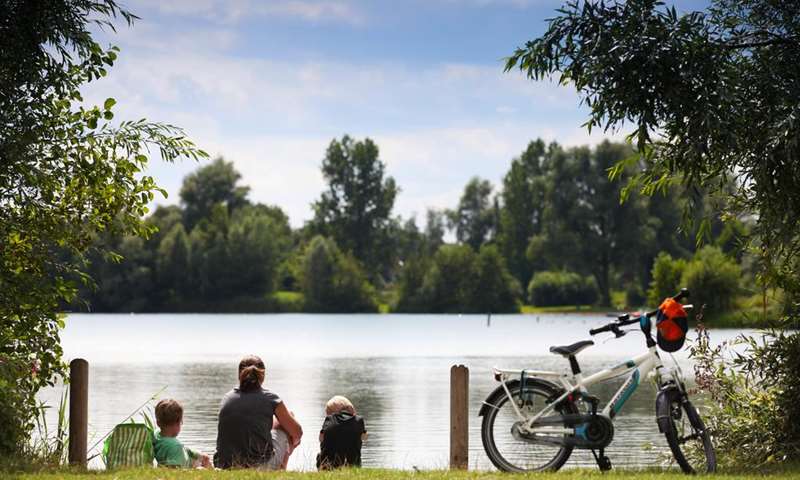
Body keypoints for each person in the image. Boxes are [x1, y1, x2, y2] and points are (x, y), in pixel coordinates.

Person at [214, 355, 303, 469]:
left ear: (239, 375)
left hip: (224, 465)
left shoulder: (227, 398)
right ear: (263, 375)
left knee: (274, 424)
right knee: (287, 420)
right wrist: (293, 444)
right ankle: (280, 471)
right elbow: (297, 432)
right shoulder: (271, 398)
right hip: (259, 466)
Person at [152, 398, 211, 468]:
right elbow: (174, 469)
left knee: (203, 458)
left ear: (158, 423)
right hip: (187, 467)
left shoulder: (156, 435)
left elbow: (183, 449)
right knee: (208, 465)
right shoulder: (175, 447)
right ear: (179, 423)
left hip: (185, 459)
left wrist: (198, 454)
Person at [317, 395, 367, 470]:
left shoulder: (329, 419)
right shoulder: (359, 420)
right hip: (352, 464)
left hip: (327, 465)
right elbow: (364, 438)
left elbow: (321, 439)